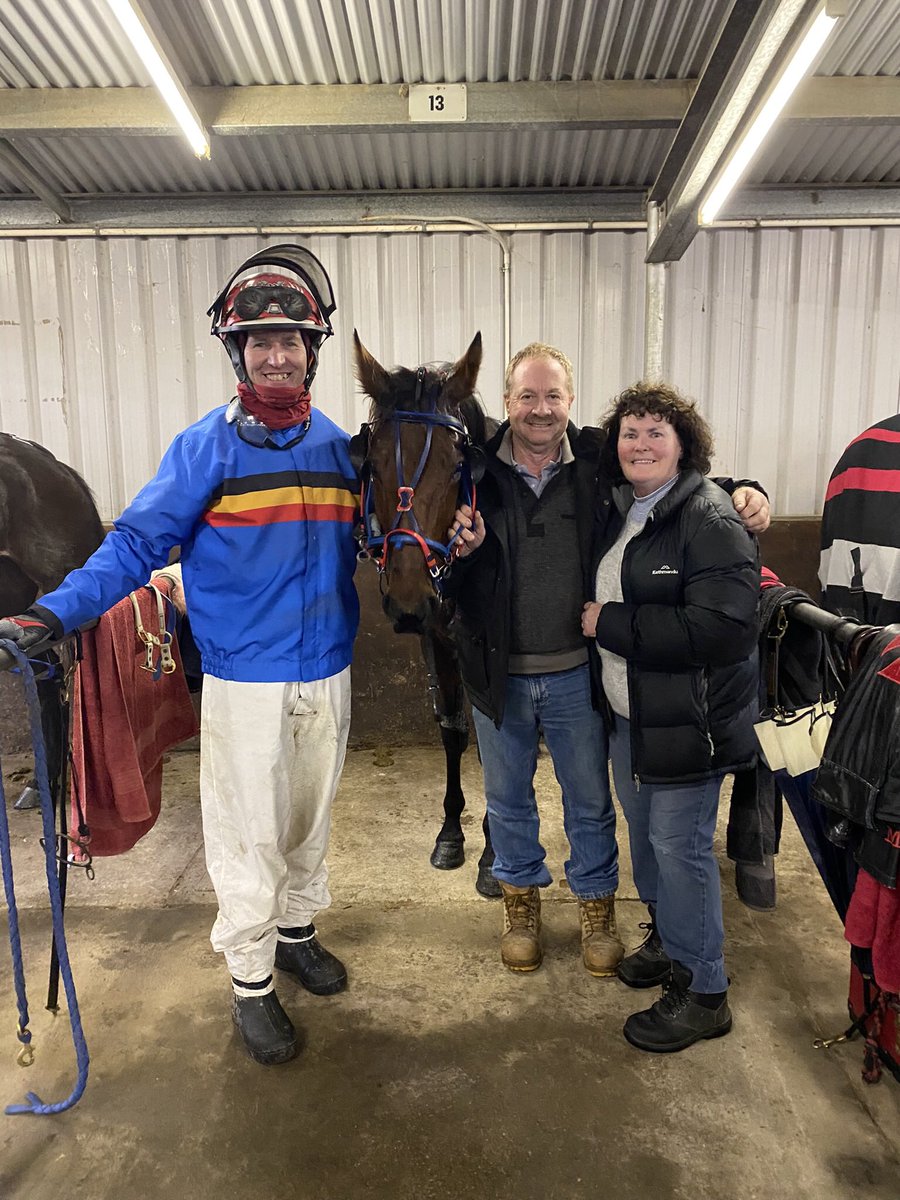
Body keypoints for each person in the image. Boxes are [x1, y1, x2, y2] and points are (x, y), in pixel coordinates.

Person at [0, 245, 360, 1067]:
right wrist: (53, 611)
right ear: (238, 353)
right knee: (247, 834)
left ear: (312, 352)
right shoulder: (205, 450)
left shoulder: (340, 450)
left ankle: (297, 930)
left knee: (309, 821)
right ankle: (251, 981)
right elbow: (133, 545)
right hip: (246, 679)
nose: (277, 354)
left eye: (291, 341)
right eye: (260, 341)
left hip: (329, 670)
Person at [447, 343, 768, 978]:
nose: (541, 410)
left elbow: (672, 478)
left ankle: (597, 905)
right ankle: (521, 907)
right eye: (527, 396)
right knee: (508, 800)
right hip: (498, 673)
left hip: (577, 672)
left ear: (570, 401)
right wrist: (466, 550)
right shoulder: (472, 473)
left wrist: (742, 489)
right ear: (507, 403)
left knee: (590, 799)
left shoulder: (598, 460)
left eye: (553, 396)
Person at [581, 381, 760, 1053]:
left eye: (658, 431)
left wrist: (612, 624)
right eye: (631, 431)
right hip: (637, 720)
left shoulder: (707, 517)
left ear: (685, 446)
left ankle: (704, 989)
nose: (641, 443)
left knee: (680, 850)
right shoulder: (631, 508)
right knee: (651, 843)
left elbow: (724, 628)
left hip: (692, 722)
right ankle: (670, 939)